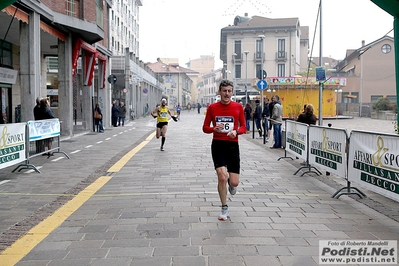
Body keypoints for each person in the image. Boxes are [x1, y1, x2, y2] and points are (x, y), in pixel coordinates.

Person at [202, 79, 246, 221]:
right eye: (224, 91)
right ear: (219, 92)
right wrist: (213, 129)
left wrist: (237, 132)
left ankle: (231, 186)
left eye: (229, 91)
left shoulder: (238, 107)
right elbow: (205, 128)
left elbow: (244, 127)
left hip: (233, 146)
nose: (227, 94)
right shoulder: (212, 108)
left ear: (232, 92)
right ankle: (224, 207)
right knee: (222, 176)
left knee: (234, 182)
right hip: (218, 145)